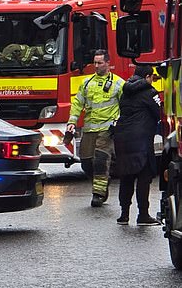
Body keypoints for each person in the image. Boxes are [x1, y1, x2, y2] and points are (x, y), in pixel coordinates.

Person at [66, 49, 124, 207]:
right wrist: (72, 122)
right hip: (89, 130)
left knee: (100, 161)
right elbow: (77, 104)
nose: (96, 66)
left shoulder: (119, 84)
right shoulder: (86, 83)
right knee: (86, 163)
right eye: (95, 63)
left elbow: (125, 107)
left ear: (108, 63)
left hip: (107, 131)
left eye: (99, 63)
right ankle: (103, 181)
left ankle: (98, 194)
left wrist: (117, 123)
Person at [112, 63, 161, 225]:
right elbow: (158, 113)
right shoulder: (150, 92)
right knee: (144, 177)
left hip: (123, 139)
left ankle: (124, 214)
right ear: (147, 77)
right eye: (152, 78)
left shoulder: (125, 92)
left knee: (126, 176)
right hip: (141, 140)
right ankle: (143, 215)